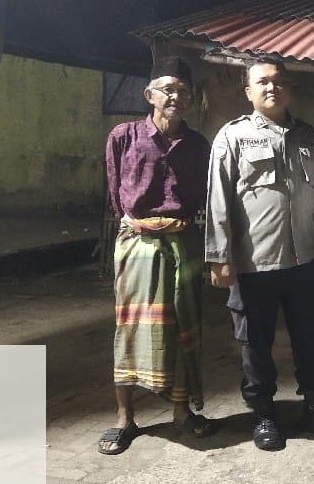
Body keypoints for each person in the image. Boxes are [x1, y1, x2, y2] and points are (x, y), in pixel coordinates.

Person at [204, 56, 314, 451]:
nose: (272, 87)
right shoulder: (232, 137)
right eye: (263, 82)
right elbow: (218, 200)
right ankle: (264, 414)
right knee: (255, 344)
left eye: (279, 81)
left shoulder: (308, 136)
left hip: (303, 262)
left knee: (311, 338)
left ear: (289, 88)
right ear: (248, 92)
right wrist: (219, 256)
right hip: (254, 264)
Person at [99, 57, 215, 455]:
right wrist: (142, 225)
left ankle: (181, 413)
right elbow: (116, 196)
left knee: (183, 325)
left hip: (183, 244)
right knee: (131, 327)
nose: (175, 97)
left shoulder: (198, 145)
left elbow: (202, 197)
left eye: (183, 91)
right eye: (168, 89)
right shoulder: (123, 136)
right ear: (149, 95)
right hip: (138, 243)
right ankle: (124, 418)